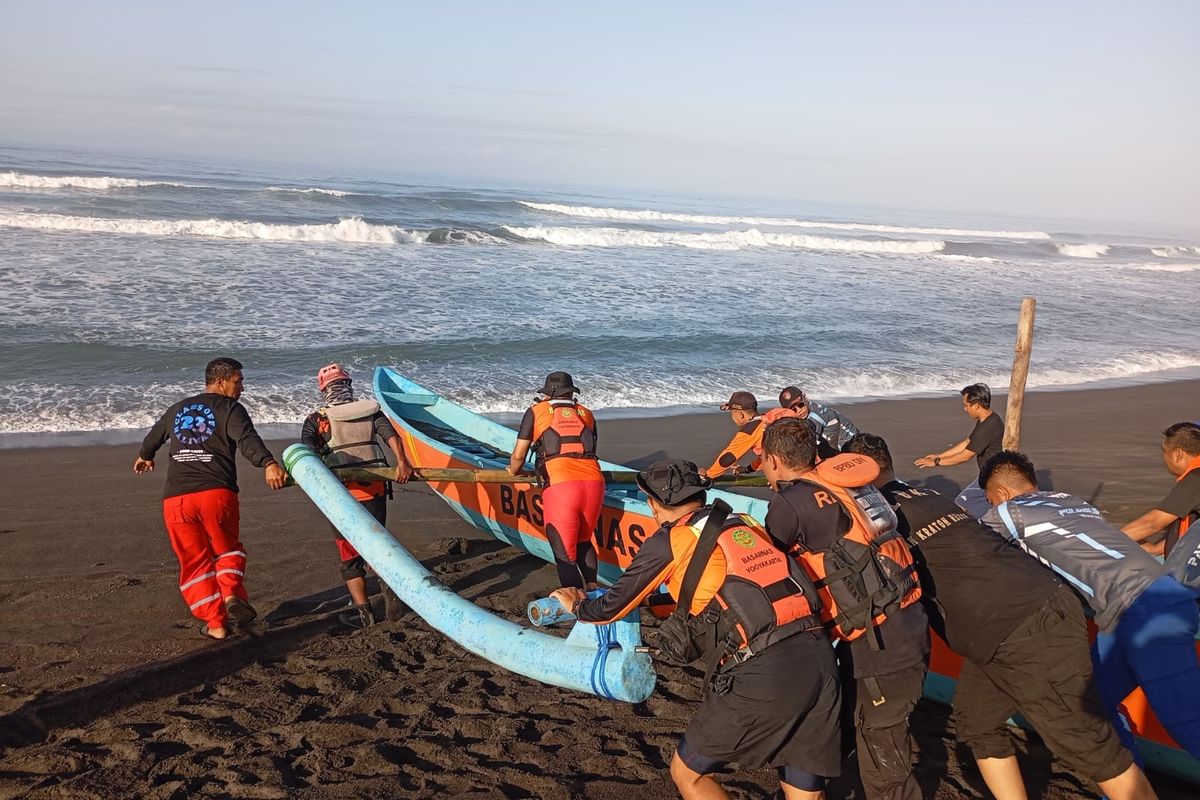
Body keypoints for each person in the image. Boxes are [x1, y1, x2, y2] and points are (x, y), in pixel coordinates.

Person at [843, 434, 1156, 800]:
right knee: (978, 722)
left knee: (1088, 744)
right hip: (1006, 628)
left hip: (1023, 626)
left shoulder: (879, 518)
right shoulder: (931, 497)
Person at [551, 459, 840, 800]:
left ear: (655, 505)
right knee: (803, 791)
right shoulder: (743, 523)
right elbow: (729, 587)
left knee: (688, 773)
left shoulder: (670, 539)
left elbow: (610, 607)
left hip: (764, 673)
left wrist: (576, 605)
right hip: (818, 656)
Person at [977, 450, 1200, 761]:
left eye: (989, 501)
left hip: (1147, 609)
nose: (991, 508)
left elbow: (968, 547)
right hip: (1141, 605)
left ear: (1001, 493)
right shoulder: (1073, 501)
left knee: (1188, 726)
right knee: (1092, 705)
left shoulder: (1008, 512)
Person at [760, 419, 927, 800]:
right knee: (853, 725)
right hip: (907, 619)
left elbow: (771, 569)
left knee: (882, 753)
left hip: (879, 644)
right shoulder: (843, 483)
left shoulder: (788, 503)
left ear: (771, 459)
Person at [134, 357, 287, 640]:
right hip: (216, 494)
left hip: (176, 500)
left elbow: (153, 436)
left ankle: (216, 625)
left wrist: (146, 456)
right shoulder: (230, 409)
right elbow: (247, 440)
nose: (242, 387)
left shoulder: (178, 409)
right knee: (227, 550)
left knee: (194, 562)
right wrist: (268, 463)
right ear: (220, 381)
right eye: (238, 381)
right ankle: (230, 595)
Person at [301, 363, 413, 628]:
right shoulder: (370, 411)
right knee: (377, 545)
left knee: (349, 555)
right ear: (348, 385)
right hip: (374, 490)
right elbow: (391, 437)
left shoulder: (317, 419)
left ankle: (365, 614)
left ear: (324, 390)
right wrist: (402, 462)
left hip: (339, 496)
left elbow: (307, 454)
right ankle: (391, 595)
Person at [507, 371, 604, 590]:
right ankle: (592, 590)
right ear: (571, 393)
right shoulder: (586, 413)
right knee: (584, 541)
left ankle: (578, 605)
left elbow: (519, 456)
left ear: (548, 394)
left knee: (564, 554)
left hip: (562, 486)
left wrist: (513, 471)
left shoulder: (536, 411)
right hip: (594, 483)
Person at [1121, 422, 1200, 590]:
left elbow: (1153, 522)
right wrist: (1156, 548)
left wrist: (1106, 540)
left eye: (1165, 453)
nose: (1164, 460)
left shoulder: (1196, 478)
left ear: (1178, 454)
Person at [914, 383, 1004, 477]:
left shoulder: (987, 427)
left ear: (976, 406)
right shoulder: (989, 418)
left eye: (966, 405)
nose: (965, 409)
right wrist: (940, 456)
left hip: (994, 476)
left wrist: (935, 462)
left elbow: (965, 456)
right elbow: (967, 442)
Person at [706, 391, 768, 478]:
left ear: (740, 414)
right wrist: (748, 469)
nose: (732, 417)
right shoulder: (768, 420)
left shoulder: (749, 431)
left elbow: (728, 458)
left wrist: (708, 475)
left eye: (732, 413)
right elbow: (766, 455)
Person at [778, 386, 859, 452]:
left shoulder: (815, 417)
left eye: (801, 405)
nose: (799, 411)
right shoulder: (811, 406)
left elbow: (808, 446)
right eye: (793, 409)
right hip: (834, 441)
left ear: (805, 398)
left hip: (851, 443)